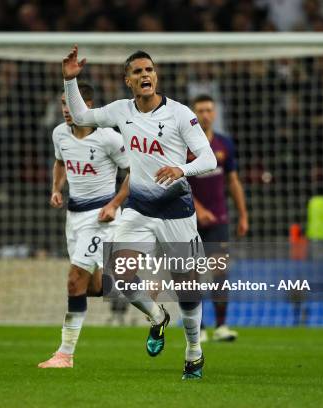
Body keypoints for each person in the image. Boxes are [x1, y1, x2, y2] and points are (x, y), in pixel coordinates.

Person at [62, 46, 217, 379]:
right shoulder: (121, 111)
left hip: (177, 212)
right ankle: (157, 316)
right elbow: (81, 117)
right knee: (116, 277)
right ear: (128, 81)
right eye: (138, 72)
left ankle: (193, 351)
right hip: (139, 209)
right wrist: (70, 82)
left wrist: (181, 168)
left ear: (155, 76)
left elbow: (209, 159)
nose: (145, 75)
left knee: (188, 291)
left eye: (149, 70)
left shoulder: (179, 114)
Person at [38, 83, 130, 368]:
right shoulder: (59, 134)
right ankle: (140, 293)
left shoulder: (109, 138)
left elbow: (134, 172)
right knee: (90, 287)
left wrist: (114, 204)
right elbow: (60, 162)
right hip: (74, 217)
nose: (67, 110)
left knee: (73, 280)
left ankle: (65, 354)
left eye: (72, 104)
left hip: (101, 218)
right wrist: (56, 188)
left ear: (87, 107)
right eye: (63, 104)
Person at [188, 94, 248, 342]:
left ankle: (221, 327)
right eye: (200, 110)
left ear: (215, 113)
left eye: (209, 110)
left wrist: (243, 214)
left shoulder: (225, 144)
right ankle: (198, 329)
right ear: (194, 115)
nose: (205, 114)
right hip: (190, 219)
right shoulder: (185, 145)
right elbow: (179, 183)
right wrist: (198, 209)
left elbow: (232, 181)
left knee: (219, 270)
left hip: (219, 218)